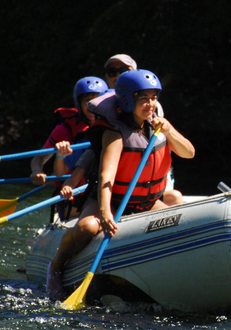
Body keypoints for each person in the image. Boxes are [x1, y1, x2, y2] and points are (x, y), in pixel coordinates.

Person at [46, 69, 195, 299]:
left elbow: (189, 153)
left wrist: (169, 130)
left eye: (153, 97)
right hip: (113, 200)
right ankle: (55, 267)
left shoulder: (159, 127)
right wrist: (105, 213)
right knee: (88, 227)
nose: (150, 104)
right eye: (143, 98)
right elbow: (107, 176)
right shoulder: (114, 133)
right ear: (128, 100)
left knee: (181, 223)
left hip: (146, 202)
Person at [29, 77, 108, 220]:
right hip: (72, 194)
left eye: (97, 101)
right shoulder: (64, 130)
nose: (92, 106)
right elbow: (39, 158)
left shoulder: (112, 127)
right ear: (79, 103)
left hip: (99, 190)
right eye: (87, 101)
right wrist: (37, 171)